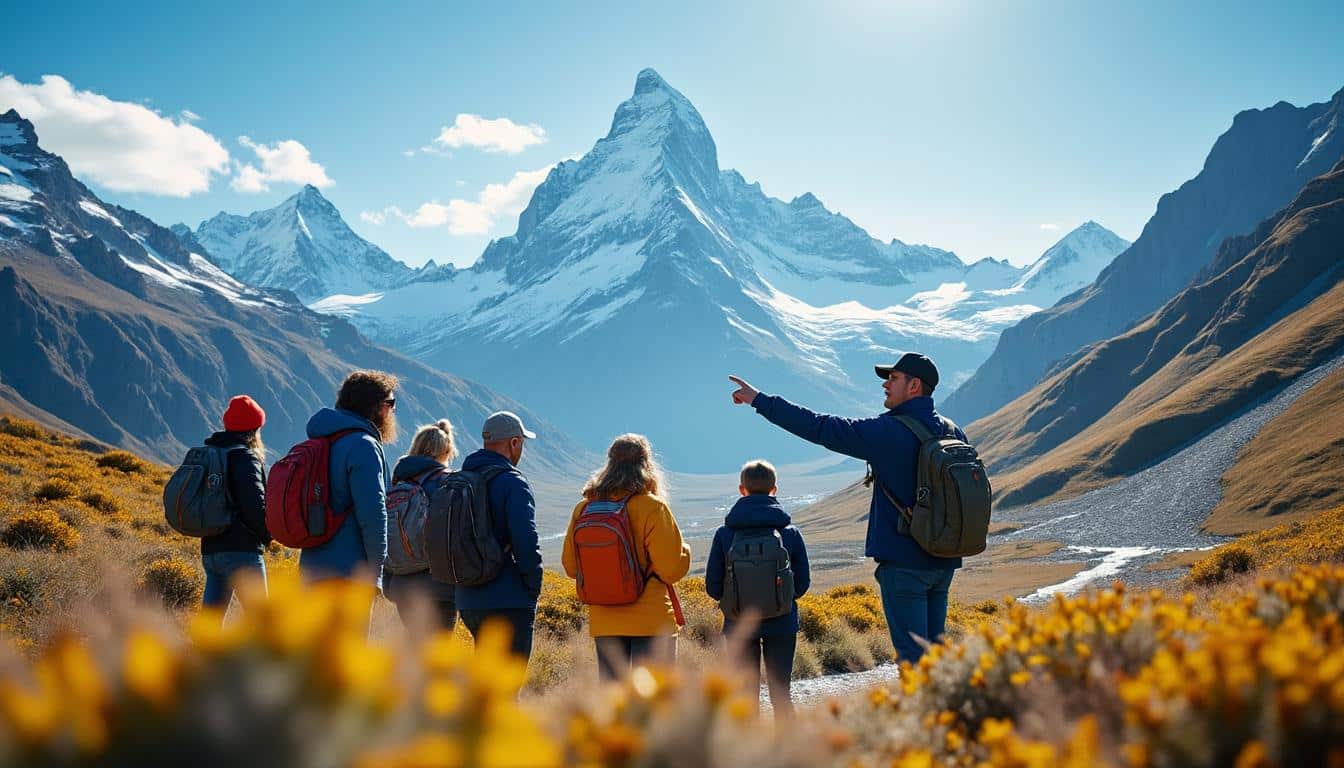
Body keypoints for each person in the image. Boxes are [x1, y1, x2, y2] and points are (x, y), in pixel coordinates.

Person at [728, 353, 965, 663]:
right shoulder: (952, 431)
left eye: (893, 378)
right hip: (943, 561)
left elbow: (821, 427)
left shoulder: (889, 431)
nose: (885, 384)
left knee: (913, 657)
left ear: (914, 385)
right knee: (936, 656)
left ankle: (922, 696)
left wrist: (759, 400)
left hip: (905, 564)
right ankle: (943, 696)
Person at [562, 434, 692, 682]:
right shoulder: (652, 507)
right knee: (654, 699)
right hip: (652, 622)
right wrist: (685, 550)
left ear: (609, 464)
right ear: (647, 464)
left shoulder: (584, 509)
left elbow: (570, 567)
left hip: (605, 623)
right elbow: (671, 570)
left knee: (614, 700)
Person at [705, 459, 810, 717]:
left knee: (744, 694)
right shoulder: (790, 533)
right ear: (775, 489)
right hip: (782, 623)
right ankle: (787, 741)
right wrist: (782, 599)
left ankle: (748, 742)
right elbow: (803, 583)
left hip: (738, 624)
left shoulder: (724, 534)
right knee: (781, 693)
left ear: (742, 490)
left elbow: (713, 586)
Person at [454, 411, 544, 661]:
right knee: (508, 681)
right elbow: (526, 540)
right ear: (514, 442)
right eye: (521, 443)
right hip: (508, 601)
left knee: (485, 679)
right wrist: (532, 588)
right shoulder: (513, 483)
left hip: (468, 600)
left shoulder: (461, 480)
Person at [299, 370, 397, 592]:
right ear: (374, 406)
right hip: (351, 573)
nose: (392, 411)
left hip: (311, 568)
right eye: (390, 403)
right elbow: (373, 514)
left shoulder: (322, 439)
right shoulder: (363, 445)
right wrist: (376, 572)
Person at [384, 419, 459, 630]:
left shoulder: (398, 481)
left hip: (400, 584)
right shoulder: (447, 482)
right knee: (438, 647)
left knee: (415, 644)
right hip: (438, 587)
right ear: (446, 450)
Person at [201, 395, 271, 613]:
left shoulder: (212, 453)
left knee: (210, 623)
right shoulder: (245, 458)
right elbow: (255, 508)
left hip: (211, 550)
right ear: (253, 430)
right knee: (261, 622)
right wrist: (268, 535)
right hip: (242, 551)